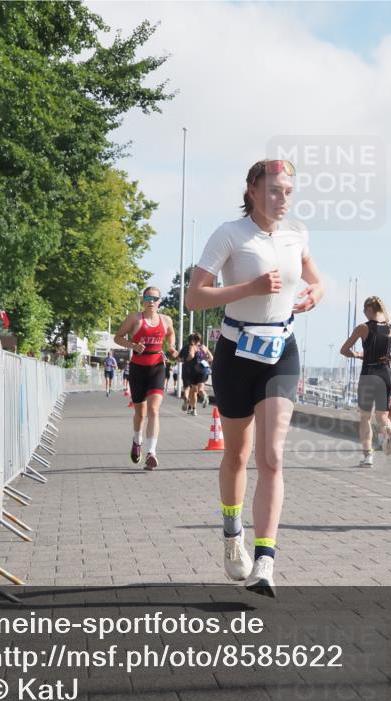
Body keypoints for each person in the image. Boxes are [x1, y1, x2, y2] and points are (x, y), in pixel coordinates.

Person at [186, 158, 324, 596]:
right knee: (236, 454)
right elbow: (194, 297)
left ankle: (265, 559)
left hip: (281, 350)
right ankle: (232, 535)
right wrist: (248, 289)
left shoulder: (296, 234)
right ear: (251, 189)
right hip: (235, 352)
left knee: (273, 457)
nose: (282, 199)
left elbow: (316, 279)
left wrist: (314, 294)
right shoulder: (230, 234)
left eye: (288, 191)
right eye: (274, 190)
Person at [114, 287, 178, 470]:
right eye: (148, 297)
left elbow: (171, 333)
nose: (151, 301)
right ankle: (137, 441)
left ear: (159, 301)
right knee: (140, 413)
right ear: (143, 300)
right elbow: (117, 337)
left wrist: (171, 346)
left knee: (154, 410)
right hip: (138, 368)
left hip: (157, 366)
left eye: (155, 298)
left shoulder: (166, 320)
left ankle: (152, 452)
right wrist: (133, 345)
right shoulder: (135, 318)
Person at [339, 296, 391, 467]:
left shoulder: (363, 328)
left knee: (365, 417)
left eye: (364, 309)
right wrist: (388, 357)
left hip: (369, 374)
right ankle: (388, 432)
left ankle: (368, 456)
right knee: (383, 416)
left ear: (370, 308)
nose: (364, 312)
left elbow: (344, 350)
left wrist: (357, 354)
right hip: (385, 375)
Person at [182, 333, 214, 415]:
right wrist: (205, 358)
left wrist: (187, 359)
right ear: (200, 339)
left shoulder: (193, 347)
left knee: (193, 391)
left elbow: (191, 356)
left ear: (193, 340)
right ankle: (205, 396)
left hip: (194, 369)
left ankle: (193, 408)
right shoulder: (204, 347)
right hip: (203, 370)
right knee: (200, 389)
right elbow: (211, 358)